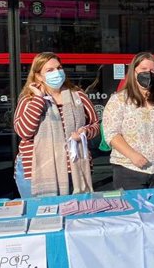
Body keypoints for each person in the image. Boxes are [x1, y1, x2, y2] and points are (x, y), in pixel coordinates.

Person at [13, 52, 99, 198]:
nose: (57, 73)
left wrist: (85, 132)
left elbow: (95, 125)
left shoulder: (78, 96)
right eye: (50, 70)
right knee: (41, 216)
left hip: (75, 169)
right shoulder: (29, 100)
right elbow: (24, 132)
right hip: (35, 171)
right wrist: (39, 100)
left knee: (75, 215)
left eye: (59, 68)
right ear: (38, 76)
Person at [102, 52, 154, 190]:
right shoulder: (119, 100)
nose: (148, 74)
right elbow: (111, 134)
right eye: (143, 70)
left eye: (152, 71)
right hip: (129, 170)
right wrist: (133, 155)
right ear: (134, 72)